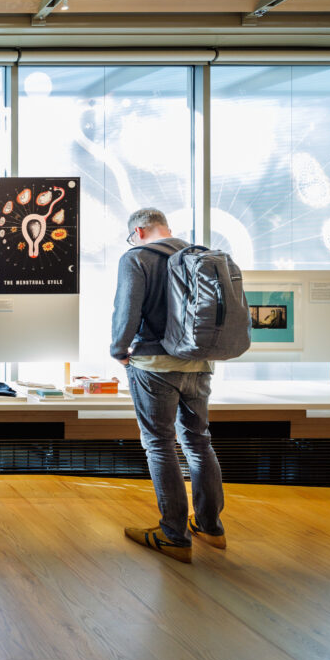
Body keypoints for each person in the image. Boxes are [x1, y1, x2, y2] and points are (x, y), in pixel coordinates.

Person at [111, 208, 226, 564]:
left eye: (133, 235)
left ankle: (173, 534)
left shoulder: (137, 257)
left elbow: (127, 309)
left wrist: (119, 349)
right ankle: (210, 526)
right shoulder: (197, 255)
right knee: (198, 441)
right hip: (200, 363)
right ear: (167, 228)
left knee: (159, 444)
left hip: (154, 364)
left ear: (140, 231)